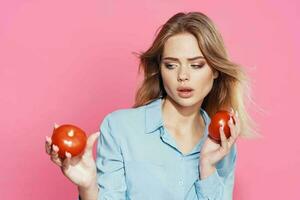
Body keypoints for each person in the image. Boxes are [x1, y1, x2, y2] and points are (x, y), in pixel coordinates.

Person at [45, 11, 257, 200]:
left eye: (196, 65)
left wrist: (208, 167)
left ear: (216, 70)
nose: (183, 76)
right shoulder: (119, 128)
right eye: (171, 65)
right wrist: (89, 188)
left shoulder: (222, 143)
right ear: (160, 69)